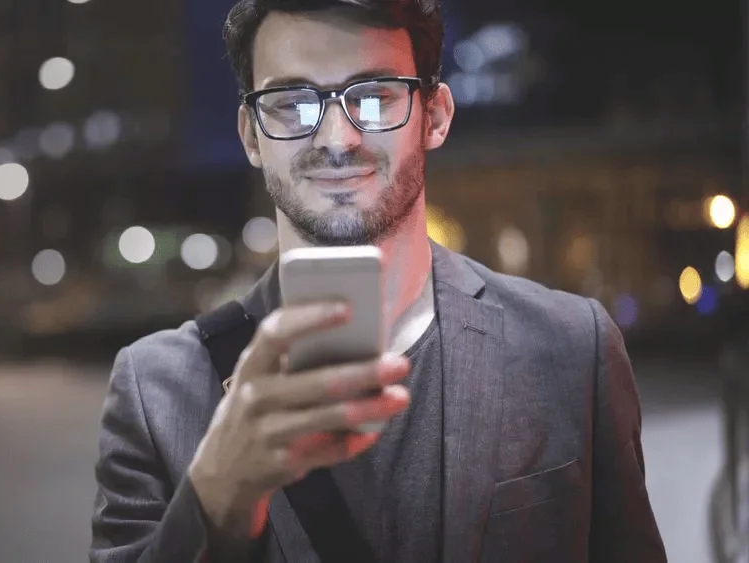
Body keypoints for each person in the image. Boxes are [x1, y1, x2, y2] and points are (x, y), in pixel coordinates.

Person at [89, 0, 667, 561]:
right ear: (250, 135)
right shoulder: (154, 388)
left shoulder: (570, 346)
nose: (337, 139)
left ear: (435, 116)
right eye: (292, 103)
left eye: (373, 97)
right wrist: (215, 494)